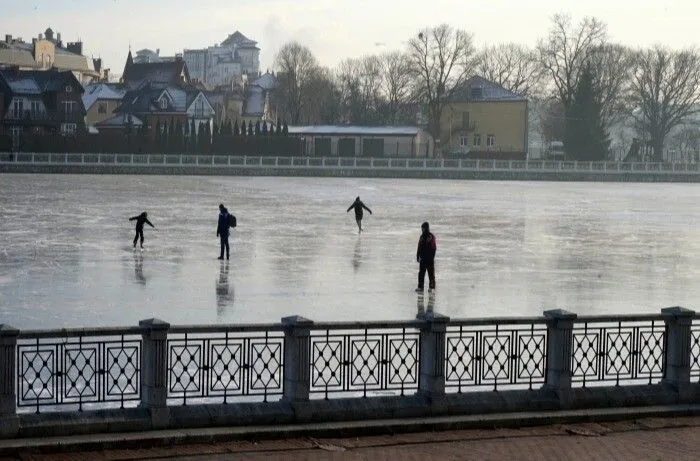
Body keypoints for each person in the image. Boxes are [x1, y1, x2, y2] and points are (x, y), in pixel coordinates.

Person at [416, 221, 436, 293]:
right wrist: (418, 255)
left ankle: (432, 287)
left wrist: (432, 257)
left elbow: (434, 248)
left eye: (423, 228)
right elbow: (419, 247)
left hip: (429, 259)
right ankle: (420, 287)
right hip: (423, 259)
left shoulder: (431, 237)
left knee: (431, 274)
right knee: (421, 274)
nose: (422, 230)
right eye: (422, 228)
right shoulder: (421, 237)